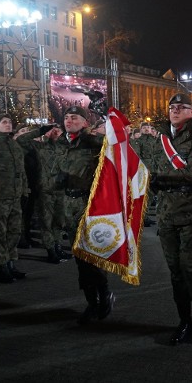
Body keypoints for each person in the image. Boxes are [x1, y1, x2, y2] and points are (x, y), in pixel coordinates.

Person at [149, 93, 192, 345]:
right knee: (175, 271)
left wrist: (159, 177)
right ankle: (184, 320)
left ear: (191, 112)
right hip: (166, 212)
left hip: (191, 212)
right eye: (172, 107)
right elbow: (149, 169)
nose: (175, 111)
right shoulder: (160, 140)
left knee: (191, 268)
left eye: (181, 107)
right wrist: (153, 182)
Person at [57, 106, 115, 325]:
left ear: (84, 122)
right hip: (69, 205)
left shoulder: (94, 143)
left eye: (75, 117)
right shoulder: (61, 143)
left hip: (89, 205)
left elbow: (117, 150)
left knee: (92, 256)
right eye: (66, 117)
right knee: (80, 259)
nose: (69, 120)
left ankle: (104, 293)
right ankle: (91, 302)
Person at [16, 124, 71, 264]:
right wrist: (41, 130)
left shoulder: (64, 146)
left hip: (61, 190)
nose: (55, 132)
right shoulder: (39, 147)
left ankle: (58, 247)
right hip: (45, 190)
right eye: (52, 130)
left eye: (58, 130)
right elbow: (21, 140)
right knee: (46, 222)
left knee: (59, 221)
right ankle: (51, 250)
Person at [0, 114, 29, 283]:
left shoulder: (14, 145)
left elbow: (21, 171)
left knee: (14, 231)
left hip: (15, 195)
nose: (8, 124)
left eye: (10, 122)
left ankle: (11, 262)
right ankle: (2, 266)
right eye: (4, 122)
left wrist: (24, 190)